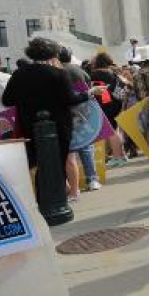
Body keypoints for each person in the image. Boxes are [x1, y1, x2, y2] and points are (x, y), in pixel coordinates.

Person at [1, 38, 104, 201]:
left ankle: (43, 199)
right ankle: (56, 200)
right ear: (53, 54)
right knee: (57, 163)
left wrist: (28, 100)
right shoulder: (58, 73)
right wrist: (90, 93)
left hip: (30, 124)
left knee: (40, 163)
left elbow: (7, 100)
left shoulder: (19, 73)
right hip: (59, 125)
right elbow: (71, 99)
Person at [59, 46, 101, 199]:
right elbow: (88, 88)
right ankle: (92, 179)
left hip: (65, 112)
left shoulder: (58, 71)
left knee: (69, 150)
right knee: (86, 146)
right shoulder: (78, 71)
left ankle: (72, 186)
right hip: (83, 110)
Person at [89, 52, 130, 168]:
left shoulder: (96, 73)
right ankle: (121, 155)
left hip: (105, 104)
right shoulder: (113, 72)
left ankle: (117, 157)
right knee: (115, 130)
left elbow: (91, 88)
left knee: (110, 132)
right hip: (116, 103)